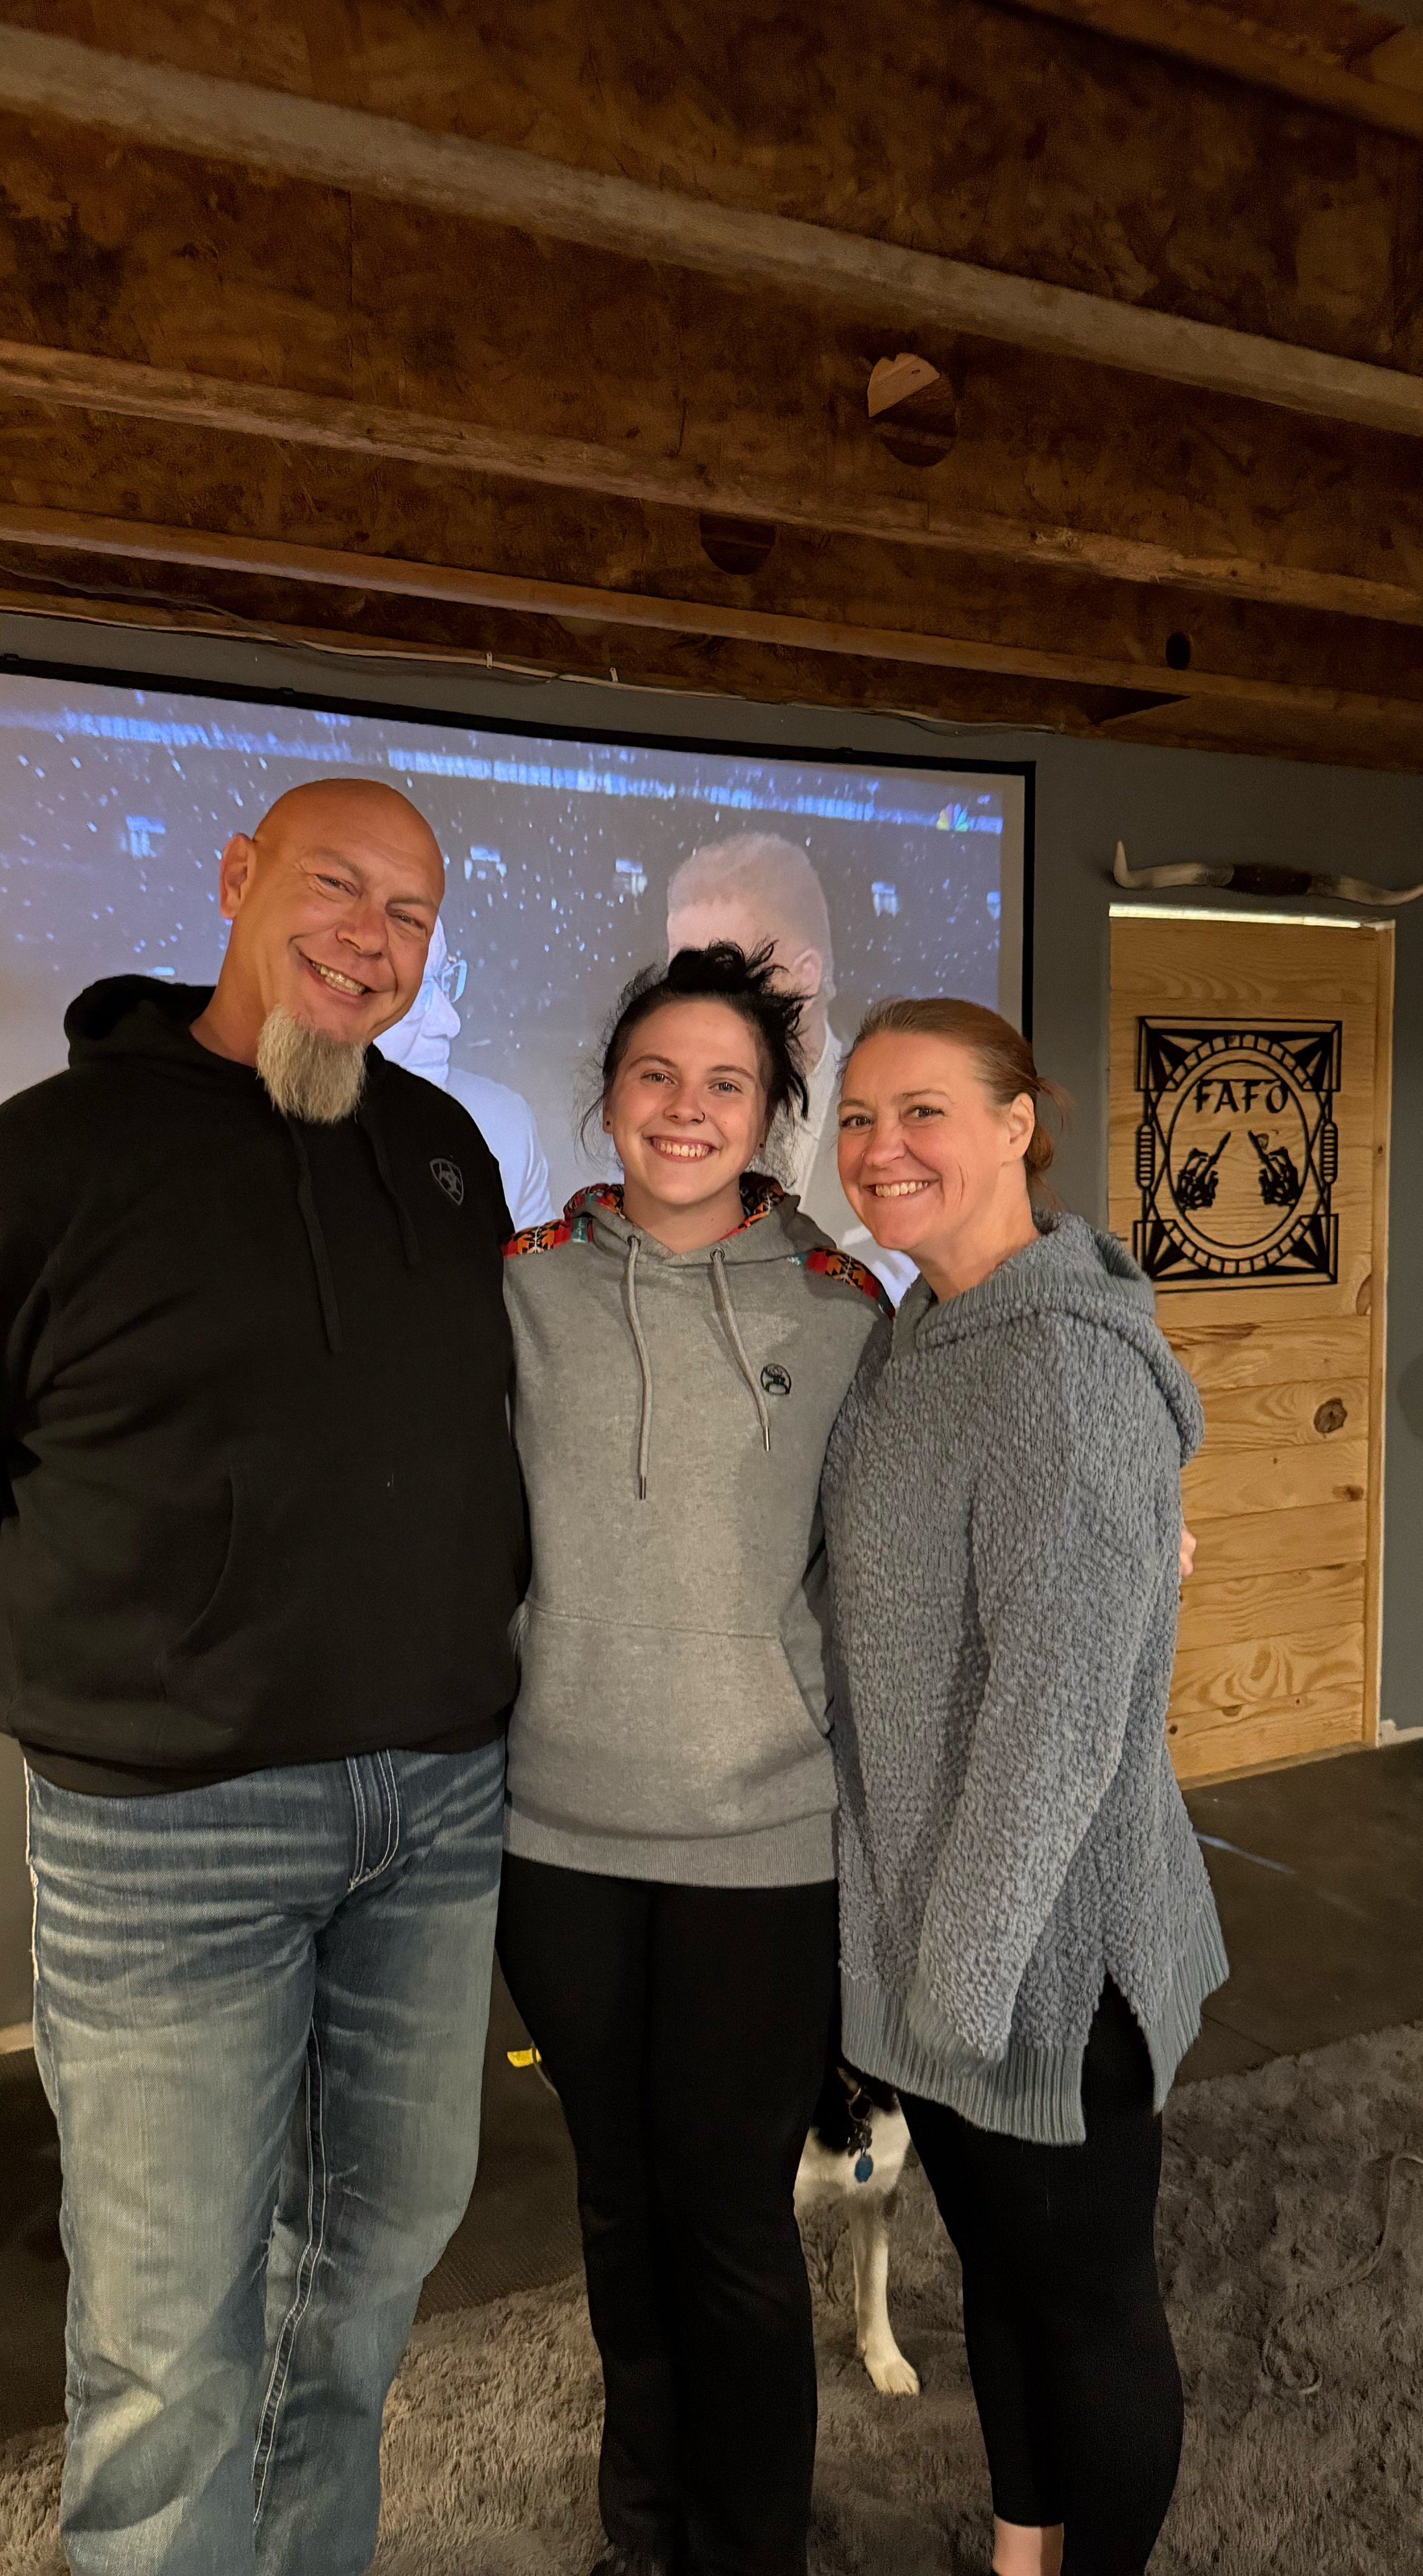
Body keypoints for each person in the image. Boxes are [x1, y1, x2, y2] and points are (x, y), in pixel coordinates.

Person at [0, 779, 528, 2576]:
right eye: (338, 888)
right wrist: (67, 1678)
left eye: (413, 916)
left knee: (368, 2270)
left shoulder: (444, 1154)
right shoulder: (42, 1161)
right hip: (166, 1840)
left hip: (434, 1814)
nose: (373, 938)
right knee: (163, 2330)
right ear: (235, 880)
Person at [495, 942, 888, 2576]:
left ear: (773, 1113)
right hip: (556, 1835)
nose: (682, 1109)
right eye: (654, 1074)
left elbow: (889, 1575)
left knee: (727, 2227)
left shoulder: (842, 1311)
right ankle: (637, 2530)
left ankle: (750, 2547)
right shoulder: (513, 1281)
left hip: (761, 1839)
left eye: (723, 1082)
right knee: (616, 2207)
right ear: (606, 1093)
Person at [820, 998, 1226, 2576]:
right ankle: (1018, 2547)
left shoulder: (1056, 1367)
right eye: (855, 1117)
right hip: (942, 1944)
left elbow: (1055, 1724)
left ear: (1014, 1125)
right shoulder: (915, 1335)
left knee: (1084, 2306)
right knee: (996, 2280)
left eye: (921, 1110)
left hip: (1043, 1959)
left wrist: (958, 1979)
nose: (878, 1149)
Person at [664, 833, 910, 1302]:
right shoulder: (660, 1121)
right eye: (683, 973)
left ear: (807, 975)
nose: (696, 1000)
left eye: (728, 970)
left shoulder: (896, 1121)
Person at [376, 913, 554, 1224]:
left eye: (445, 980)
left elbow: (542, 1270)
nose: (451, 1022)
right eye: (415, 989)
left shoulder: (505, 1128)